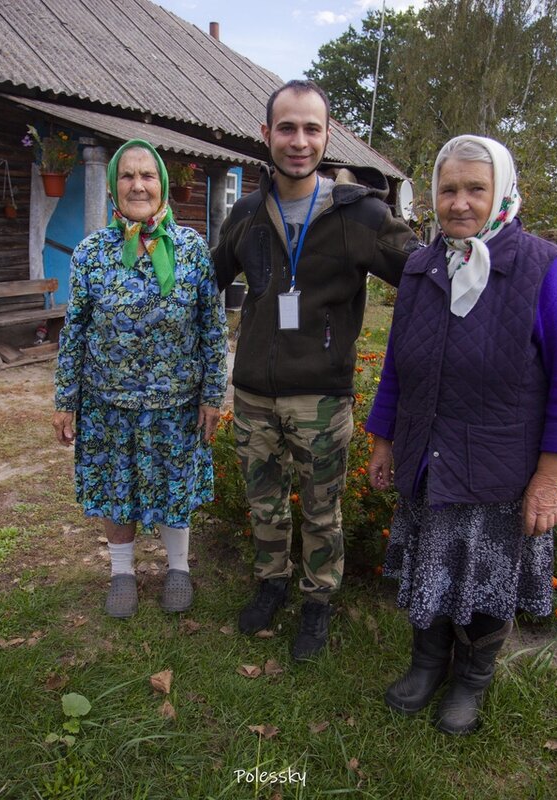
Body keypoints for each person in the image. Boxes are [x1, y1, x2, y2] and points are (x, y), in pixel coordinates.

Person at [365, 134, 557, 734]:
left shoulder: (541, 268)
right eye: (448, 189)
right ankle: (426, 665)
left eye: (476, 189)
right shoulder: (421, 266)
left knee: (486, 580)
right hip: (428, 455)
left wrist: (551, 479)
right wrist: (384, 440)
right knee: (430, 569)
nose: (460, 202)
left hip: (499, 467)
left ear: (502, 193)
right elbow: (398, 363)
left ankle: (471, 680)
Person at [212, 80, 419, 660]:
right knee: (265, 501)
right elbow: (208, 279)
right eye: (286, 128)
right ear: (266, 135)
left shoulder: (361, 215)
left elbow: (425, 275)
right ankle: (271, 584)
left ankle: (318, 601)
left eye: (311, 129)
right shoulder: (249, 212)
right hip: (253, 393)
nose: (298, 141)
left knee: (323, 508)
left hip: (323, 400)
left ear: (327, 136)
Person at [53, 139, 227, 619]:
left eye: (147, 175)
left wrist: (213, 394)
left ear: (163, 184)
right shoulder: (91, 253)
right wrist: (65, 399)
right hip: (108, 402)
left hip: (176, 400)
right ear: (113, 186)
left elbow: (212, 327)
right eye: (127, 176)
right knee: (115, 486)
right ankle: (123, 574)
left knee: (175, 484)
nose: (138, 185)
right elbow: (76, 330)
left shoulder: (191, 250)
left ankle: (178, 568)